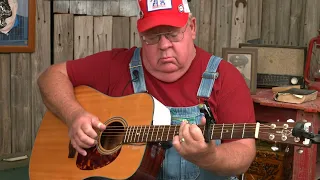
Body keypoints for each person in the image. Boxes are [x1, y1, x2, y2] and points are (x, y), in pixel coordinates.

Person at [37, 0, 256, 179]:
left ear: (192, 28)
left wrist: (210, 157)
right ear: (140, 35)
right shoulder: (116, 65)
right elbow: (51, 76)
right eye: (152, 36)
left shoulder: (225, 77)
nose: (163, 45)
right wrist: (74, 115)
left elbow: (244, 151)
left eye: (172, 33)